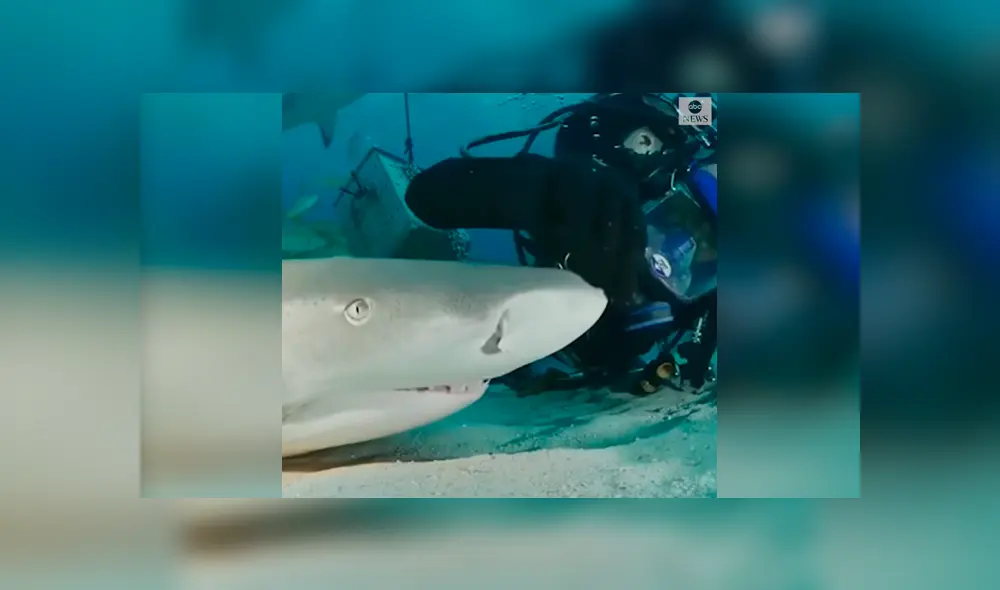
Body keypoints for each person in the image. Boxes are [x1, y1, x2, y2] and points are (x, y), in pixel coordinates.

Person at [404, 93, 717, 395]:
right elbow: (426, 194)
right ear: (661, 201)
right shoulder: (592, 208)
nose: (681, 249)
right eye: (679, 220)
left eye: (713, 245)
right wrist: (554, 188)